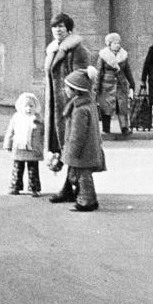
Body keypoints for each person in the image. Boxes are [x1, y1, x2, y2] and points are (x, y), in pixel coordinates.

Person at [43, 12, 93, 202]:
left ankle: (72, 188)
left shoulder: (76, 50)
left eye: (61, 26)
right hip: (56, 106)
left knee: (71, 144)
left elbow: (81, 79)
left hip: (69, 105)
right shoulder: (53, 49)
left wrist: (74, 103)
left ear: (69, 29)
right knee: (63, 145)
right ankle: (70, 186)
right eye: (54, 27)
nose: (57, 30)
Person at [59, 69, 106, 212]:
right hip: (88, 149)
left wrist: (72, 151)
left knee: (83, 177)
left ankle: (88, 201)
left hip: (83, 150)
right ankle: (82, 197)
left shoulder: (80, 109)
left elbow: (77, 134)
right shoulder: (86, 104)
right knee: (81, 175)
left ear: (76, 90)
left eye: (67, 87)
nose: (65, 89)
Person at [1, 92, 45, 196]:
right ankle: (15, 187)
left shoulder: (38, 119)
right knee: (17, 168)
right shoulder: (16, 117)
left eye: (31, 106)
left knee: (33, 169)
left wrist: (45, 146)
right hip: (19, 148)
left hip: (33, 149)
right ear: (21, 106)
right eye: (26, 106)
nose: (28, 109)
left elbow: (43, 133)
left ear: (36, 107)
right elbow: (10, 131)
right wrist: (7, 144)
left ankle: (34, 188)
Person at [94, 32, 136, 137]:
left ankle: (125, 128)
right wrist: (96, 87)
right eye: (114, 43)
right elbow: (98, 72)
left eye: (118, 43)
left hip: (121, 85)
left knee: (122, 107)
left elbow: (128, 71)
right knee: (106, 108)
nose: (117, 45)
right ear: (109, 44)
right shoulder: (103, 56)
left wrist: (132, 83)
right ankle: (106, 128)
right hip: (106, 86)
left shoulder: (123, 55)